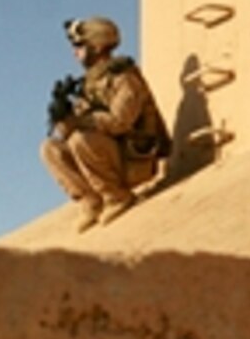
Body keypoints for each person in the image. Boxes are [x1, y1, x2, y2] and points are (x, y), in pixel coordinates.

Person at [40, 16, 172, 232]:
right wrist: (63, 119)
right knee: (50, 149)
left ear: (97, 46)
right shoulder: (90, 84)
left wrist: (81, 121)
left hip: (136, 159)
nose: (75, 52)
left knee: (80, 139)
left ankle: (116, 197)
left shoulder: (124, 77)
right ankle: (91, 201)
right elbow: (69, 134)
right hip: (109, 155)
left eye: (79, 45)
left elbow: (120, 121)